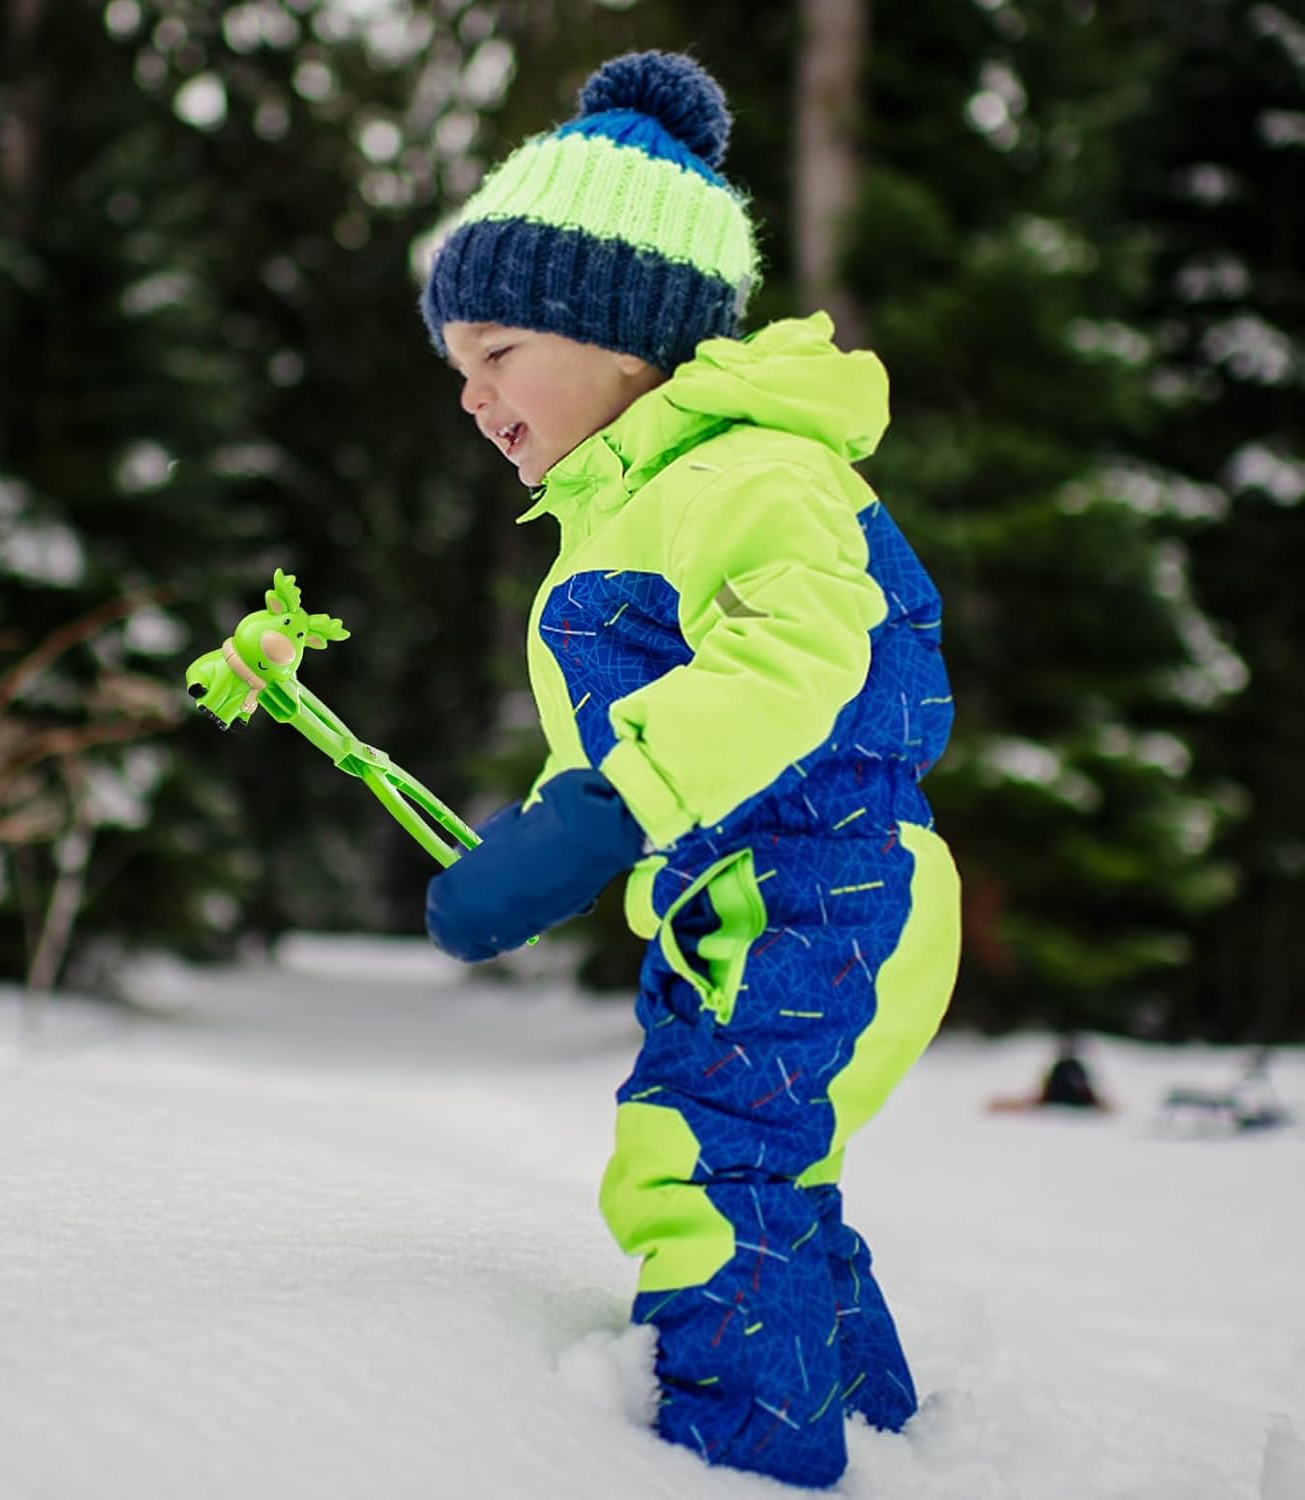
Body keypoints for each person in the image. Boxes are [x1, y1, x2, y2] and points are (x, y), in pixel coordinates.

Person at [418, 51, 961, 1490]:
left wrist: (609, 809)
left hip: (824, 886)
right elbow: (643, 721)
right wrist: (549, 831)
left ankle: (748, 1462)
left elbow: (802, 651)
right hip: (759, 898)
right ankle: (876, 1432)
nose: (472, 395)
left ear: (620, 331)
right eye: (457, 369)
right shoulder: (634, 507)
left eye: (496, 352)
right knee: (768, 1166)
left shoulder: (751, 473)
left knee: (697, 1164)